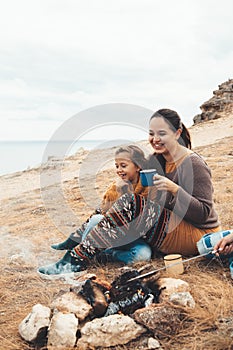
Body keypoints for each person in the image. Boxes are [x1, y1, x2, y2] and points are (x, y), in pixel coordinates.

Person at [38, 108, 221, 277]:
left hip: (196, 233)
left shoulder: (193, 164)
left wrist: (174, 189)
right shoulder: (158, 160)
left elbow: (204, 214)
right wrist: (123, 183)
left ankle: (73, 261)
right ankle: (77, 239)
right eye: (151, 133)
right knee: (124, 201)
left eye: (162, 133)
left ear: (177, 133)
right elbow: (137, 186)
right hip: (167, 224)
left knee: (131, 203)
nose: (155, 139)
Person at [38, 145, 151, 276]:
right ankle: (76, 254)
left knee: (143, 255)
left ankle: (105, 254)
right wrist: (119, 190)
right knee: (96, 219)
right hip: (111, 233)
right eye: (117, 166)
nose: (119, 170)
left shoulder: (147, 186)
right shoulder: (116, 186)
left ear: (138, 166)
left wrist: (127, 192)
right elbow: (105, 213)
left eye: (123, 165)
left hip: (131, 236)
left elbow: (141, 215)